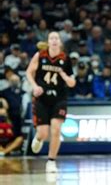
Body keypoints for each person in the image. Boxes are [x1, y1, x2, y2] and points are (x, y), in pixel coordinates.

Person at [25, 32, 76, 172]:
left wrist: (64, 76)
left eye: (56, 38)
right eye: (51, 38)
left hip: (59, 99)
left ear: (60, 42)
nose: (54, 40)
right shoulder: (40, 55)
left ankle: (51, 161)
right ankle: (38, 138)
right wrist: (35, 86)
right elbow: (28, 72)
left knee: (56, 129)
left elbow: (72, 83)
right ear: (48, 42)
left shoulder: (65, 59)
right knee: (43, 133)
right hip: (42, 99)